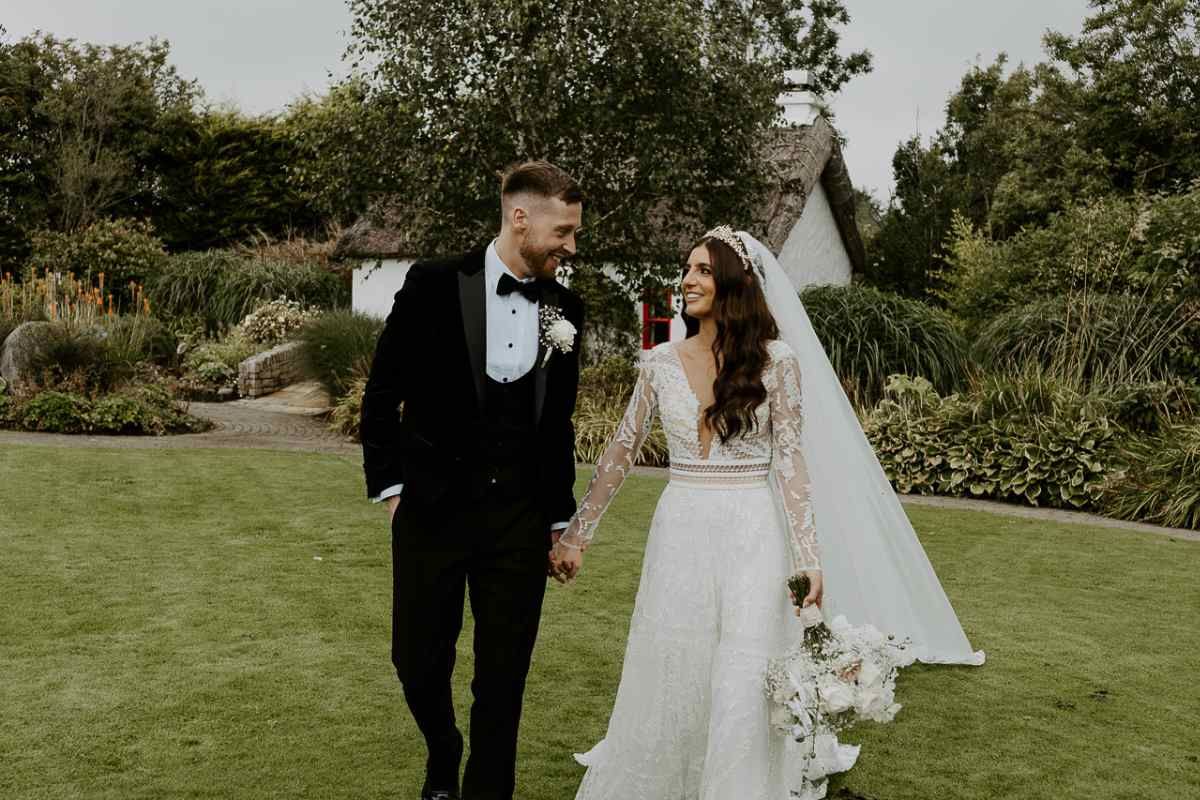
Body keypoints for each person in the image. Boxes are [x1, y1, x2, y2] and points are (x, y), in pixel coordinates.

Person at [550, 227, 984, 799]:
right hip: (681, 526)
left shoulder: (777, 362)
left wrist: (808, 557)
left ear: (736, 283)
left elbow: (791, 463)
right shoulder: (659, 362)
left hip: (753, 527)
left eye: (704, 270)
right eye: (687, 269)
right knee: (676, 652)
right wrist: (576, 535)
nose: (687, 280)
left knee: (744, 660)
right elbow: (621, 452)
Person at [360, 160, 585, 800]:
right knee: (416, 661)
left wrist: (559, 519)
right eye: (564, 231)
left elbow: (558, 423)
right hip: (431, 511)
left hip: (519, 518)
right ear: (520, 217)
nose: (572, 245)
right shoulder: (433, 283)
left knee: (504, 676)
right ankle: (443, 747)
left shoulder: (567, 308)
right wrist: (392, 489)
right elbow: (382, 392)